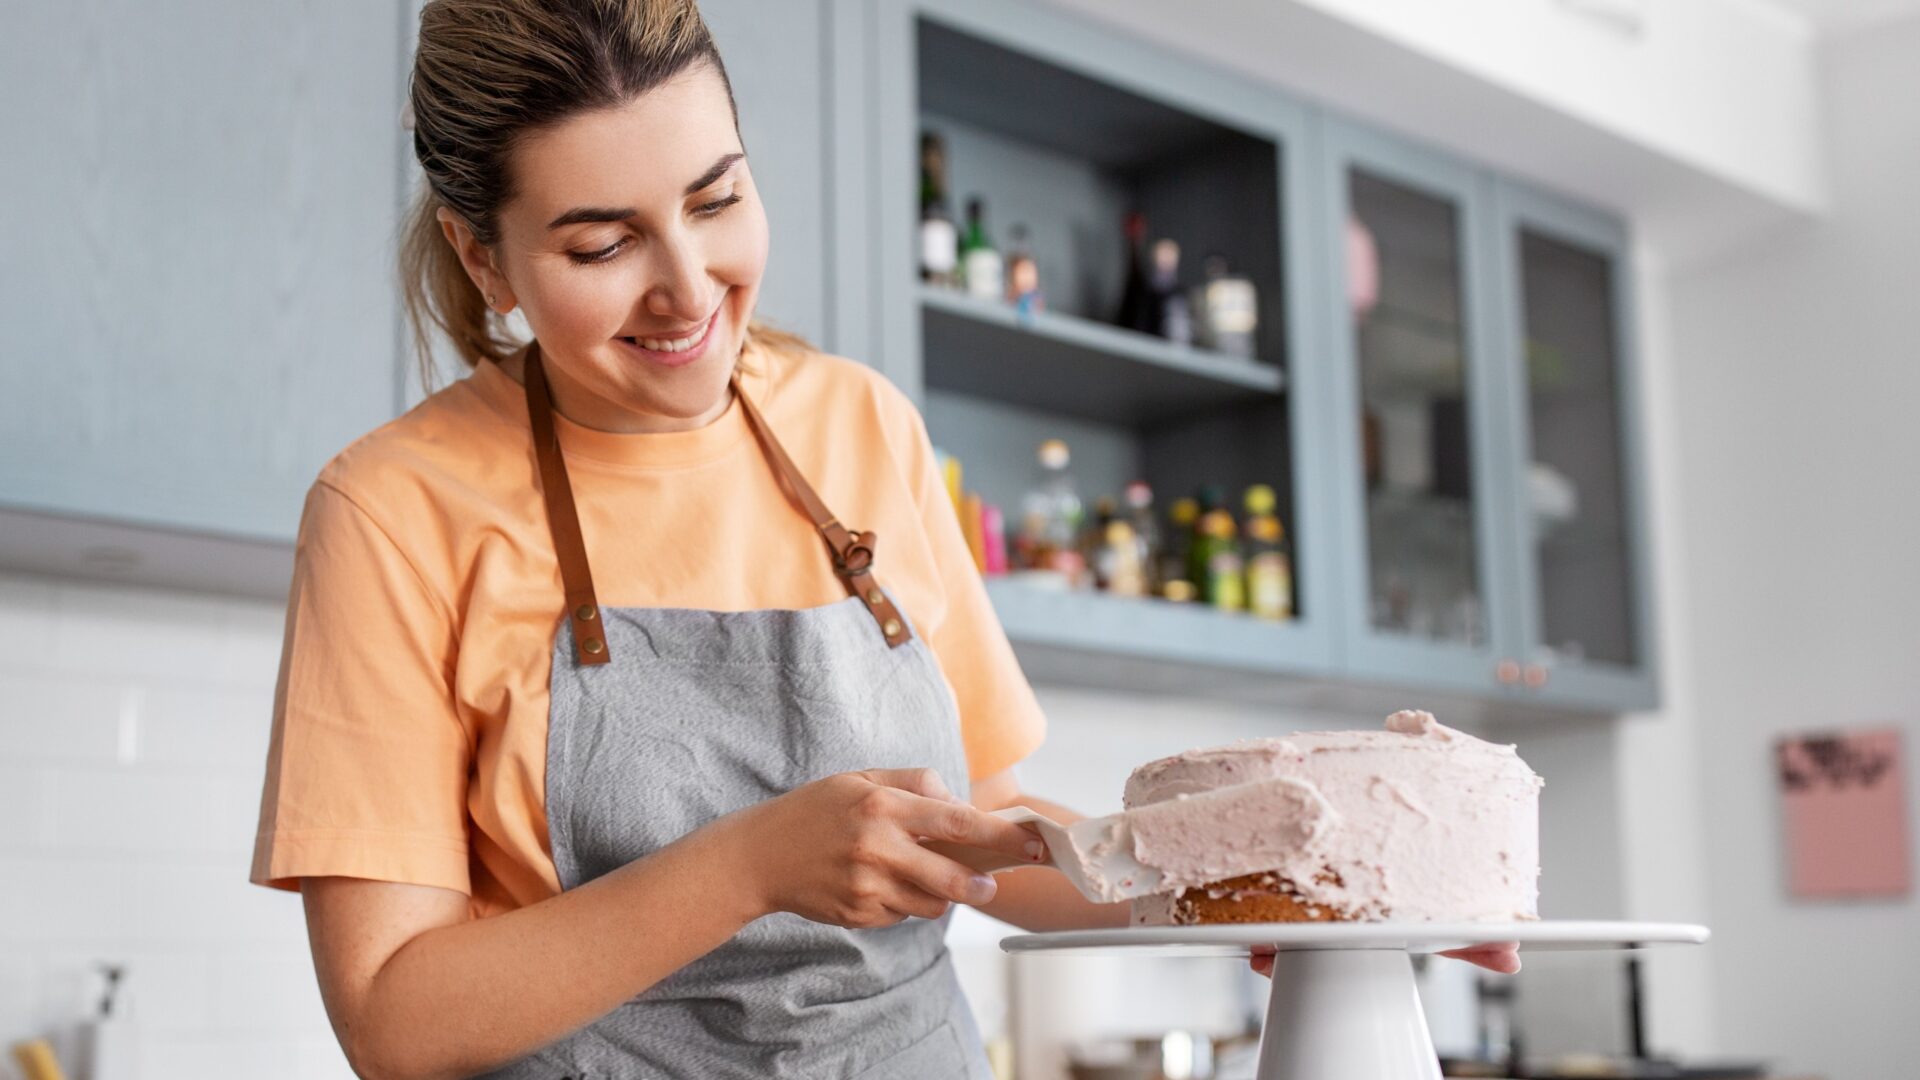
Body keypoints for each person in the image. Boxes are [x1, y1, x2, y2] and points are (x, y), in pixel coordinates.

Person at [248, 2, 1515, 1077]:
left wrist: (1298, 884)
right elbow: (394, 1016)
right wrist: (749, 864)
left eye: (717, 198)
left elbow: (990, 825)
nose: (690, 288)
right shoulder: (392, 510)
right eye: (602, 241)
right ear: (486, 257)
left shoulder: (859, 424)